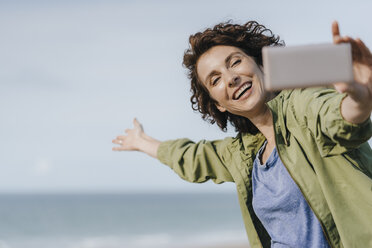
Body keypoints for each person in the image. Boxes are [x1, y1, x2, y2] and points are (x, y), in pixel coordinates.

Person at [112, 20, 372, 248]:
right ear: (219, 104)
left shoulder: (301, 106)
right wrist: (142, 142)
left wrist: (359, 98)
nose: (230, 78)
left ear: (261, 65)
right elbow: (194, 157)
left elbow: (336, 117)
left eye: (235, 62)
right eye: (215, 80)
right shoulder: (244, 154)